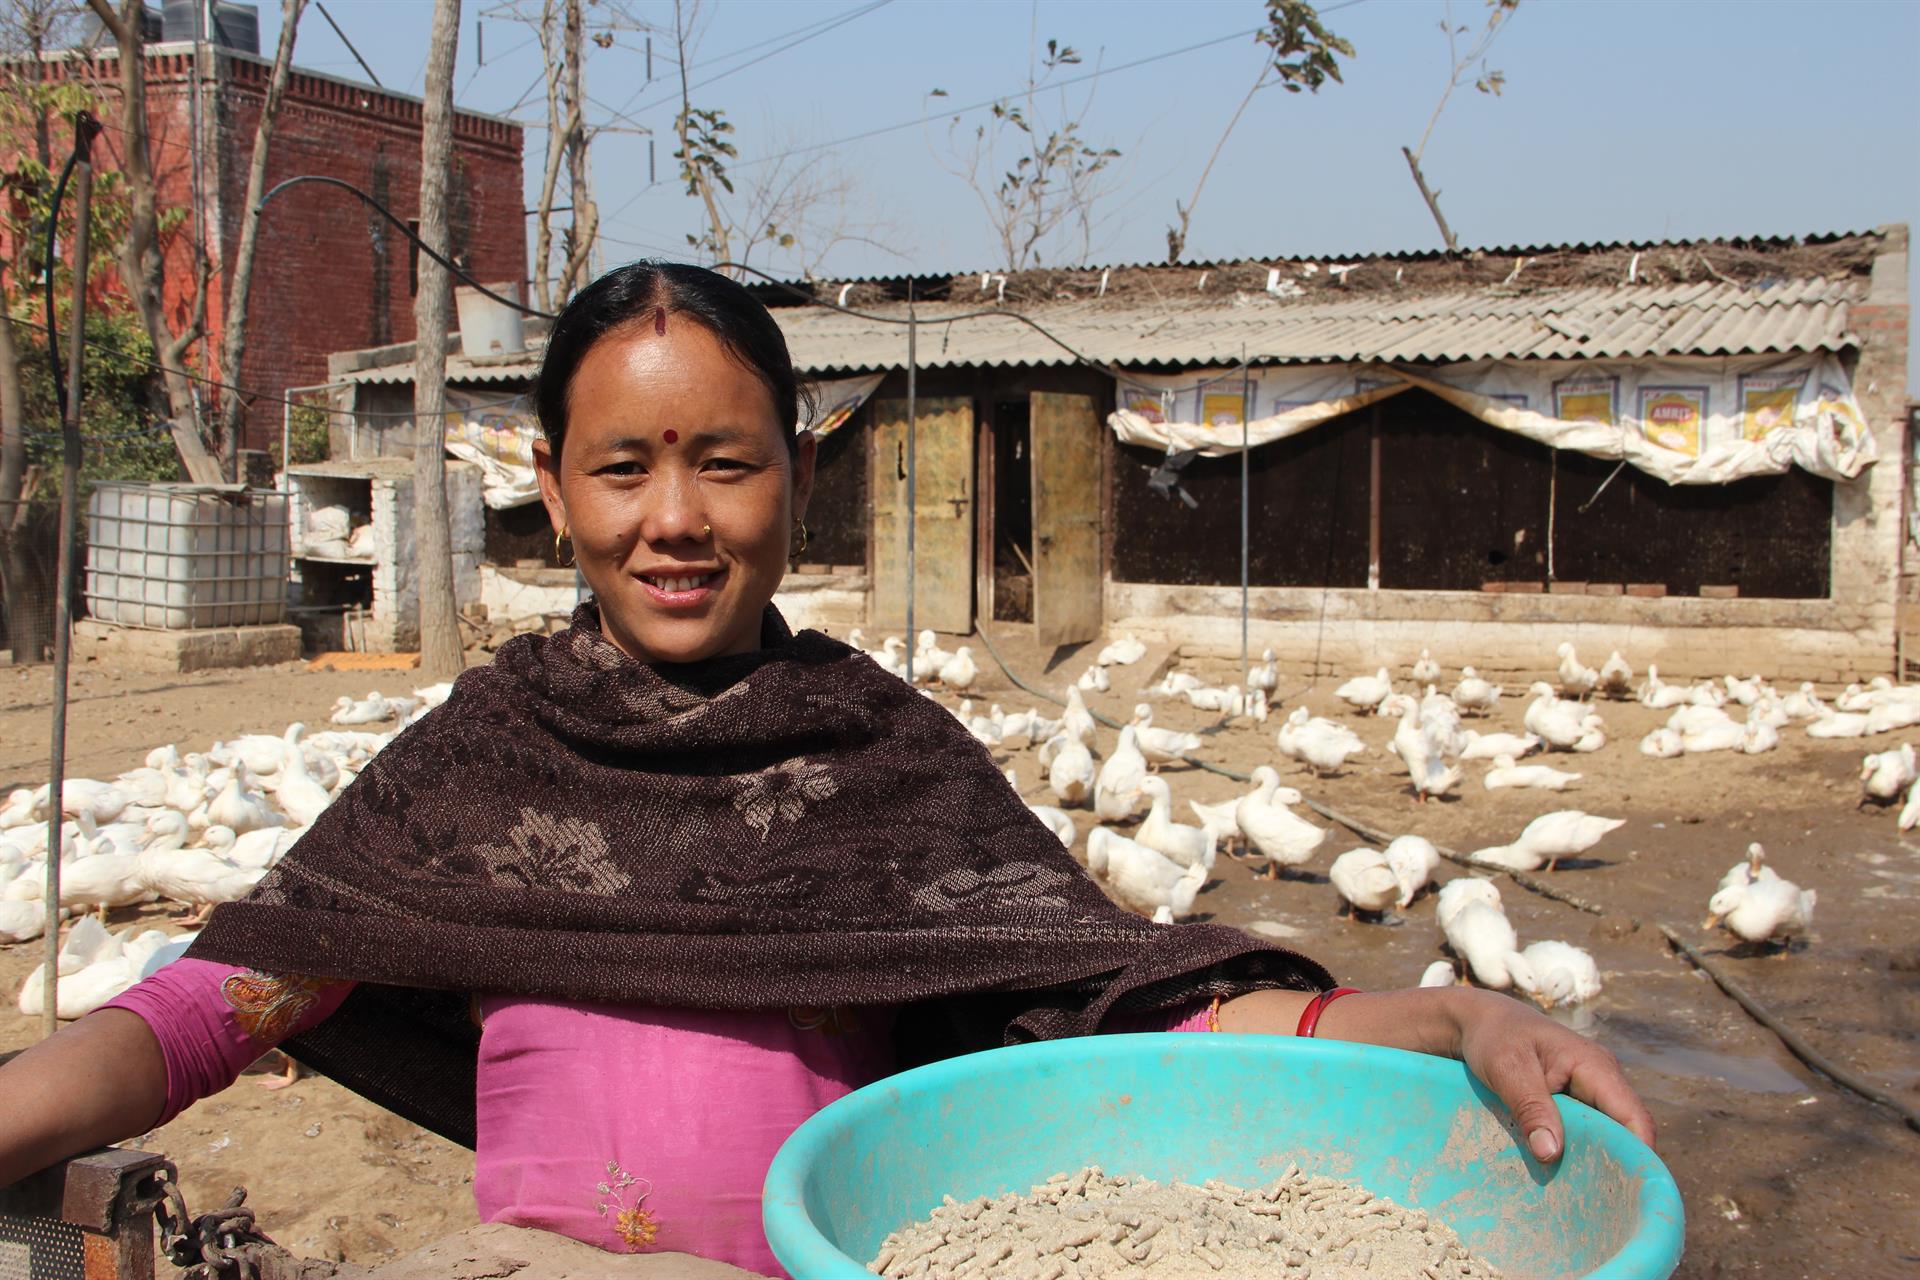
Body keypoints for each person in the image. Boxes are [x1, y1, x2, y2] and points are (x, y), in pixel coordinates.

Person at [0, 263, 1653, 1277]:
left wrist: (1436, 1018)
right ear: (552, 490)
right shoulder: (479, 768)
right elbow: (207, 1012)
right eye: (623, 470)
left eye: (724, 464)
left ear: (797, 476)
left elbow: (1122, 1021)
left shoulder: (883, 761)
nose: (675, 520)